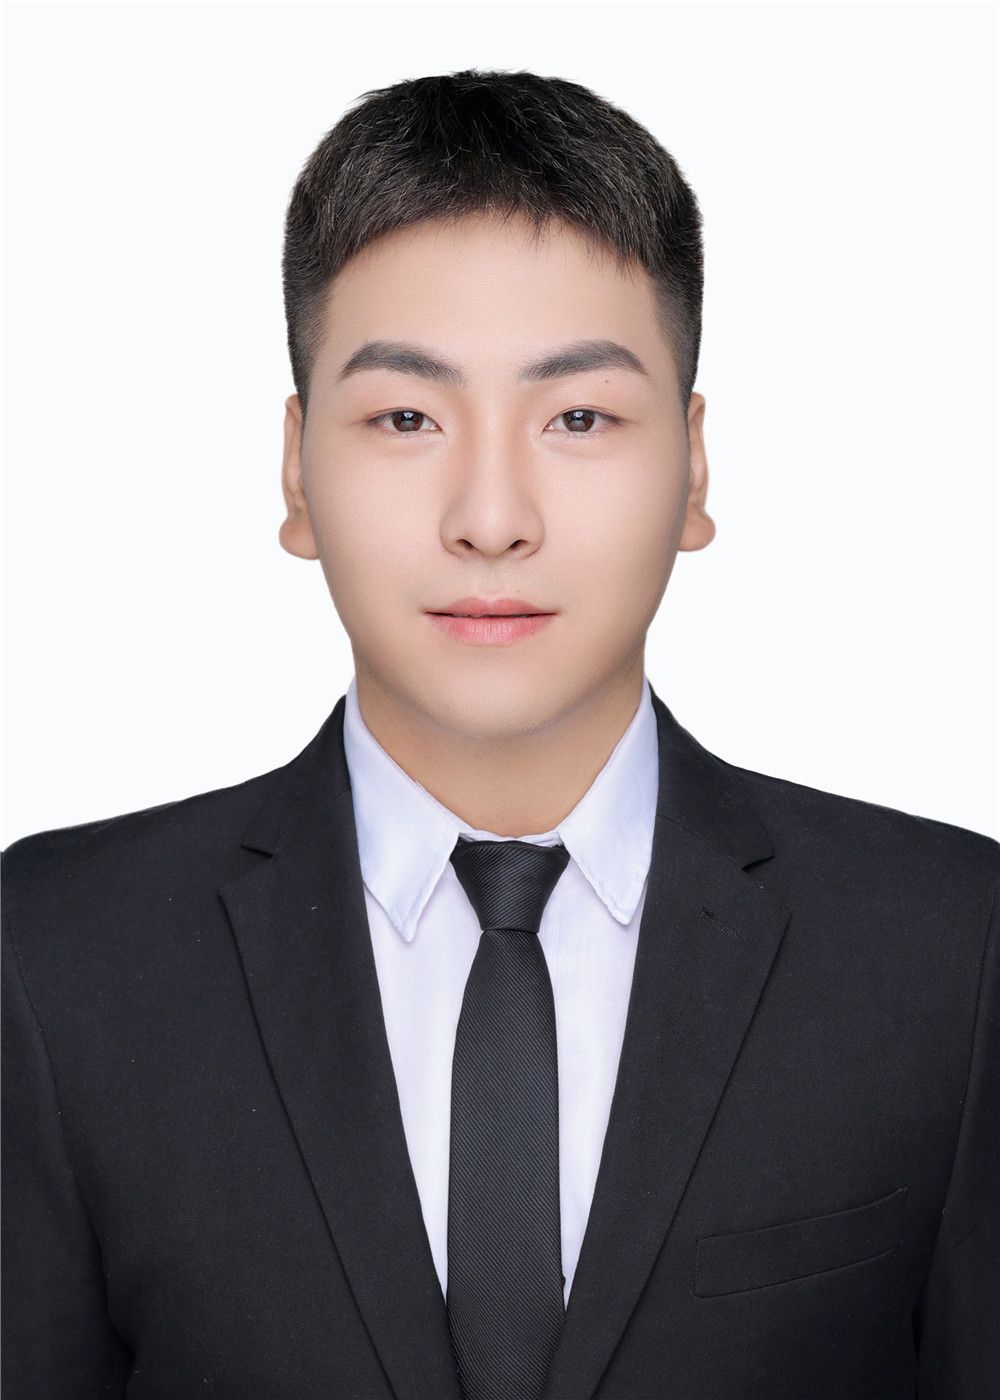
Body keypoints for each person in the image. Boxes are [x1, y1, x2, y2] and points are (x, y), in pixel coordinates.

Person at [2, 67, 997, 1400]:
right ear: (297, 469)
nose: (490, 518)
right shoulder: (54, 957)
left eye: (579, 417)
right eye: (405, 417)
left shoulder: (951, 950)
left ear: (693, 466)